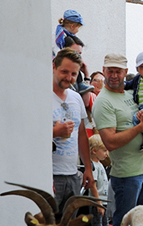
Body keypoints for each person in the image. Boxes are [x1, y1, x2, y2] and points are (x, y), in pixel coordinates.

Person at [92, 53, 143, 226]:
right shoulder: (103, 102)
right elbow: (110, 142)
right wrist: (141, 127)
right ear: (104, 71)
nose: (114, 75)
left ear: (126, 72)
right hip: (128, 175)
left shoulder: (132, 92)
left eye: (118, 71)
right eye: (110, 71)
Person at [52, 48, 94, 209]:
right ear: (54, 66)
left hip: (73, 174)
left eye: (74, 74)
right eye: (64, 71)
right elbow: (29, 135)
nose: (69, 78)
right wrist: (55, 132)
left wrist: (88, 168)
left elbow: (82, 134)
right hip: (51, 175)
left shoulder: (76, 97)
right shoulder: (42, 95)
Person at [88, 134, 109, 226]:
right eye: (104, 150)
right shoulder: (93, 166)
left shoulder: (100, 164)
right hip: (97, 201)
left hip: (103, 201)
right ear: (94, 151)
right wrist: (97, 202)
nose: (107, 154)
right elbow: (93, 185)